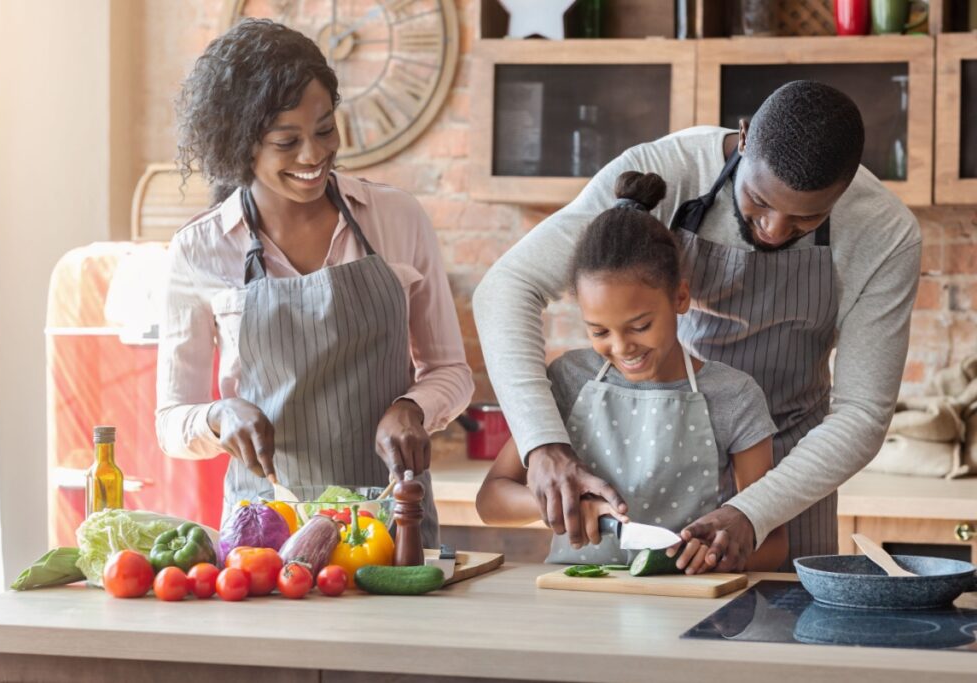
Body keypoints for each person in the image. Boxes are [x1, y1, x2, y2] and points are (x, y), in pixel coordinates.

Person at [474, 81, 921, 570]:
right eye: (758, 200)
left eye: (805, 219)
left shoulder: (885, 232)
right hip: (663, 448)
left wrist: (754, 511)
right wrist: (544, 444)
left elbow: (862, 414)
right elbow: (506, 287)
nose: (773, 229)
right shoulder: (666, 170)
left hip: (794, 466)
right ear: (745, 137)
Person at [156, 19, 473, 547]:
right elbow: (171, 421)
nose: (313, 155)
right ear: (241, 147)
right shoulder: (199, 250)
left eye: (325, 129)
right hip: (265, 536)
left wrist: (412, 407)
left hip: (391, 526)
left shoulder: (396, 217)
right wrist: (218, 415)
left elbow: (450, 370)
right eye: (287, 141)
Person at [475, 172, 787, 572]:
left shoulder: (734, 396)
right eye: (599, 331)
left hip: (687, 609)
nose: (622, 348)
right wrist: (561, 503)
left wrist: (718, 556)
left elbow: (775, 543)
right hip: (574, 604)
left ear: (680, 297)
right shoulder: (569, 379)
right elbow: (491, 500)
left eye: (640, 326)